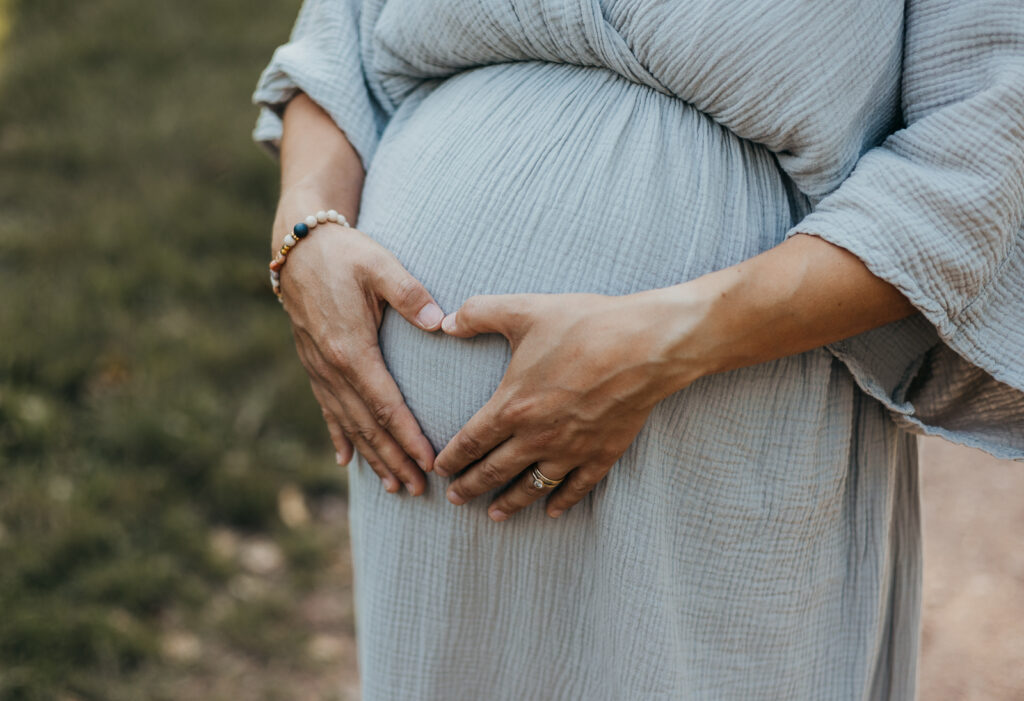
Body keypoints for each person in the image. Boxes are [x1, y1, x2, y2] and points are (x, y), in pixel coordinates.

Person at [251, 1, 1024, 698]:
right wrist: (307, 229)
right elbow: (337, 45)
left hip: (715, 432)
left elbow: (978, 155)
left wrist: (665, 343)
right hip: (424, 488)